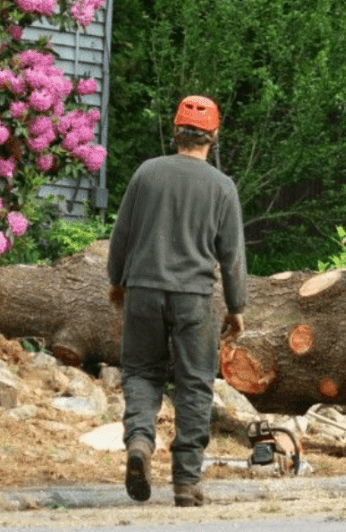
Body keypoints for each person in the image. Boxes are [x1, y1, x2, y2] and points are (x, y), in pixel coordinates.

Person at [107, 95, 247, 507]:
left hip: (144, 291)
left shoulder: (147, 173)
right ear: (214, 137)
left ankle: (139, 443)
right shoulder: (222, 187)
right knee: (194, 384)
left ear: (175, 132)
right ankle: (186, 483)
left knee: (141, 373)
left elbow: (122, 235)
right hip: (193, 299)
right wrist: (237, 307)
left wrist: (117, 280)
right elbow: (232, 254)